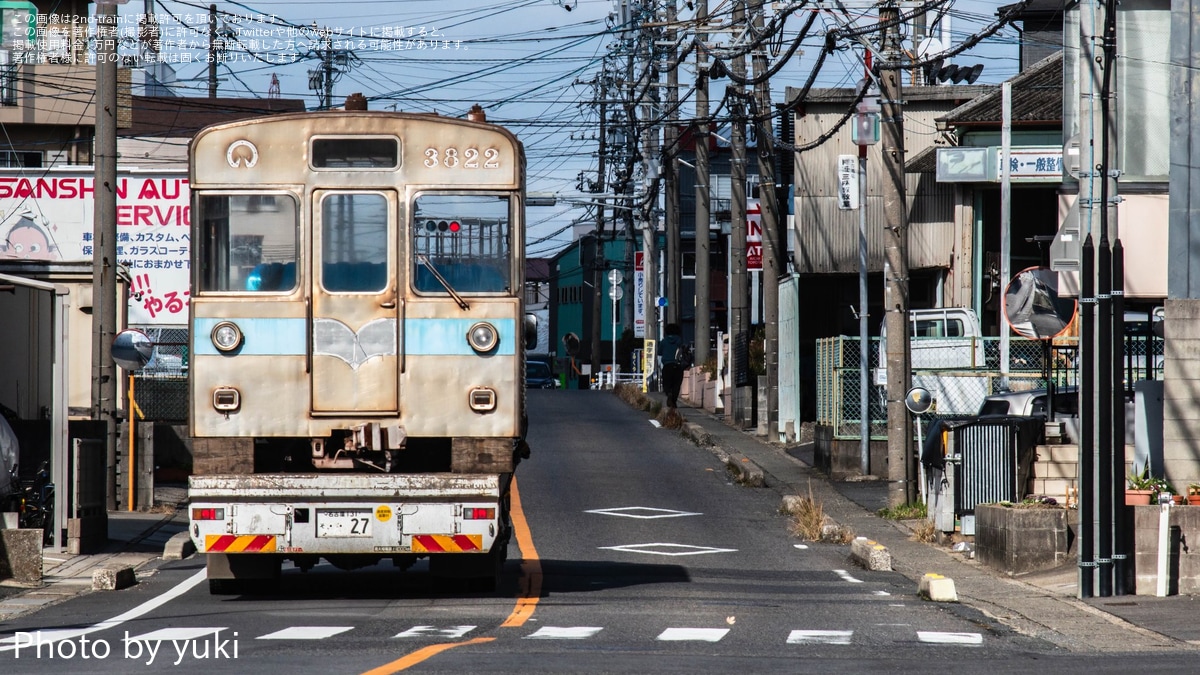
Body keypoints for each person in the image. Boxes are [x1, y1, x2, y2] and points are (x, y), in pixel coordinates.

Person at [660, 323, 686, 409]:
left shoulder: (664, 341)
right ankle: (673, 401)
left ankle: (669, 394)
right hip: (677, 366)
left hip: (667, 366)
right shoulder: (679, 340)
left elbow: (659, 353)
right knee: (676, 384)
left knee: (667, 384)